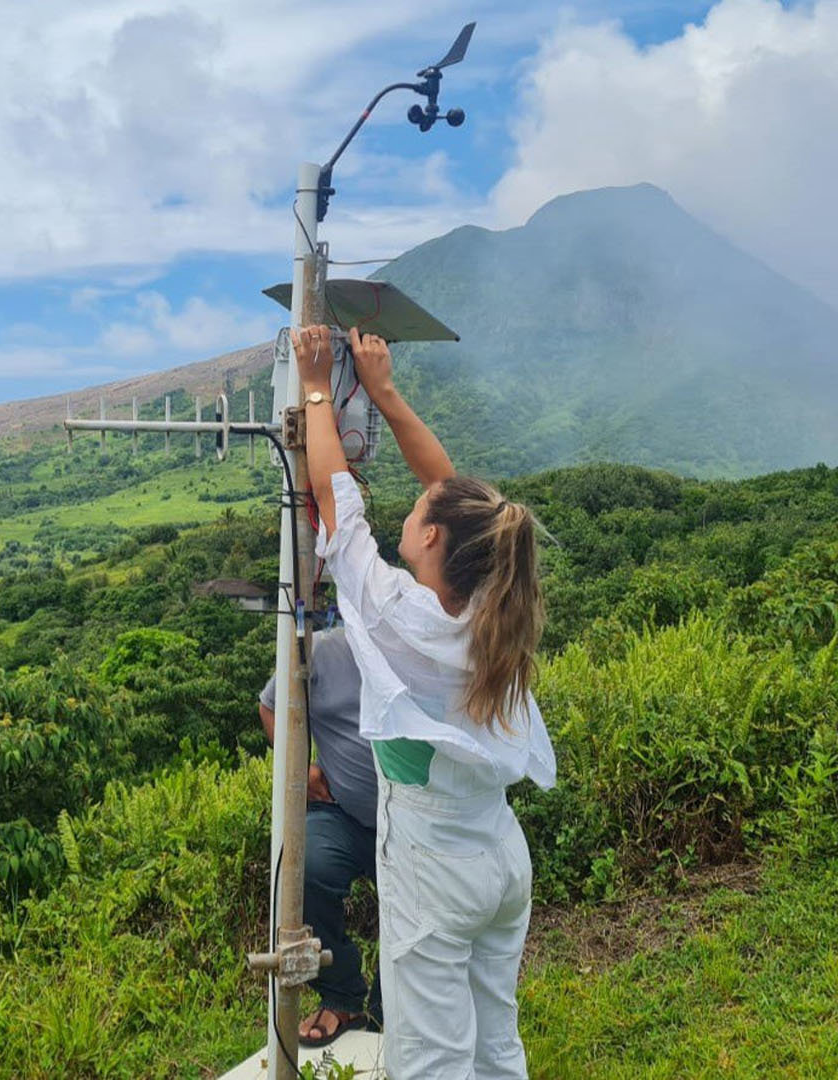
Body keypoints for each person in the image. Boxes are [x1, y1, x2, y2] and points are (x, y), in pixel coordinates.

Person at [291, 323, 557, 1079]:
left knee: (430, 1056)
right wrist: (382, 390)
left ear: (433, 540)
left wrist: (317, 387)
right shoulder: (493, 605)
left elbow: (337, 509)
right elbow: (454, 498)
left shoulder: (399, 616)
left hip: (437, 861)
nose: (407, 512)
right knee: (493, 1039)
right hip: (499, 853)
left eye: (416, 516)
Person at [257, 623, 380, 1046]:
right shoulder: (324, 650)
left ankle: (391, 1010)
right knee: (304, 867)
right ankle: (342, 994)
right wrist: (302, 768)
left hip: (412, 822)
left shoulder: (417, 646)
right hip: (342, 811)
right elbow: (269, 706)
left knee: (419, 902)